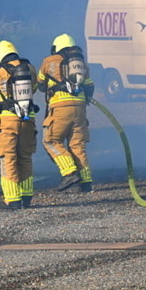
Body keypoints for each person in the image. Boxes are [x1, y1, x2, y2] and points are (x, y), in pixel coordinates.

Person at [0, 40, 39, 209]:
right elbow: (36, 87)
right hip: (28, 119)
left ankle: (12, 199)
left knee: (8, 158)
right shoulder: (30, 68)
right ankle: (26, 197)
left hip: (8, 121)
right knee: (25, 157)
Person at [38, 34, 95, 193]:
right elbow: (90, 86)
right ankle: (85, 181)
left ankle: (69, 173)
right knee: (77, 144)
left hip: (60, 107)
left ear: (56, 47)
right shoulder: (81, 64)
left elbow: (40, 84)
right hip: (80, 108)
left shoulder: (48, 62)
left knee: (51, 140)